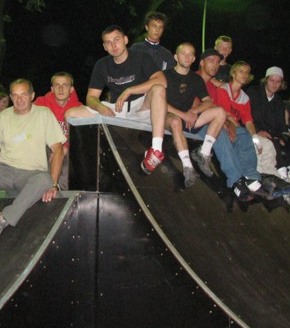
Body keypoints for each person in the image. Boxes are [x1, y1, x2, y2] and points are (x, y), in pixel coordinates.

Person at [0, 79, 66, 262]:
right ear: (10, 97)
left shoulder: (43, 114)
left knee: (45, 180)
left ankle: (2, 219)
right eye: (15, 95)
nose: (19, 99)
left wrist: (54, 184)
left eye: (23, 94)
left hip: (30, 174)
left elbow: (58, 150)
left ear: (32, 96)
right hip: (3, 170)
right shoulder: (4, 116)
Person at [65, 24, 168, 175]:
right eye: (108, 42)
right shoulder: (101, 65)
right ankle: (89, 159)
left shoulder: (141, 57)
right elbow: (91, 98)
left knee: (158, 89)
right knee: (71, 114)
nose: (113, 45)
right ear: (104, 46)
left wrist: (130, 89)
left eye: (117, 40)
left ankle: (156, 150)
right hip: (116, 108)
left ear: (125, 40)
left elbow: (162, 81)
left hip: (140, 107)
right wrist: (100, 107)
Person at [162, 43, 227, 188]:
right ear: (176, 57)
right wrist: (183, 115)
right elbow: (158, 102)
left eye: (190, 54)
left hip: (189, 118)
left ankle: (203, 154)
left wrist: (194, 111)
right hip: (169, 116)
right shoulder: (164, 75)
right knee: (176, 122)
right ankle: (188, 167)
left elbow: (208, 101)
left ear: (194, 59)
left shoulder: (196, 79)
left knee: (220, 112)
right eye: (183, 53)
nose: (187, 56)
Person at [214, 61, 263, 200]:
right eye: (241, 71)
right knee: (242, 134)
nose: (244, 74)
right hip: (220, 123)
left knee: (249, 138)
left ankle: (252, 178)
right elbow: (226, 114)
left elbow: (248, 120)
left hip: (234, 126)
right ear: (233, 73)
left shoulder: (244, 98)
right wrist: (240, 129)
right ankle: (239, 179)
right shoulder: (223, 89)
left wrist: (255, 139)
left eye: (247, 72)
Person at [33, 71, 83, 189]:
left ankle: (61, 196)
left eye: (65, 85)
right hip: (44, 147)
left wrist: (65, 147)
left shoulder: (78, 108)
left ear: (71, 89)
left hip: (67, 149)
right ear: (52, 88)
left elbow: (81, 137)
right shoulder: (40, 103)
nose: (61, 89)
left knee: (67, 163)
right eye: (57, 85)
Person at [247, 67, 290, 175]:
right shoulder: (254, 92)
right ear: (266, 80)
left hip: (273, 134)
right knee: (273, 142)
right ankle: (282, 174)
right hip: (256, 131)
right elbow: (248, 116)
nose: (274, 84)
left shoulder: (279, 101)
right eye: (272, 80)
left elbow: (280, 124)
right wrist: (257, 131)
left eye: (278, 81)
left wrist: (281, 137)